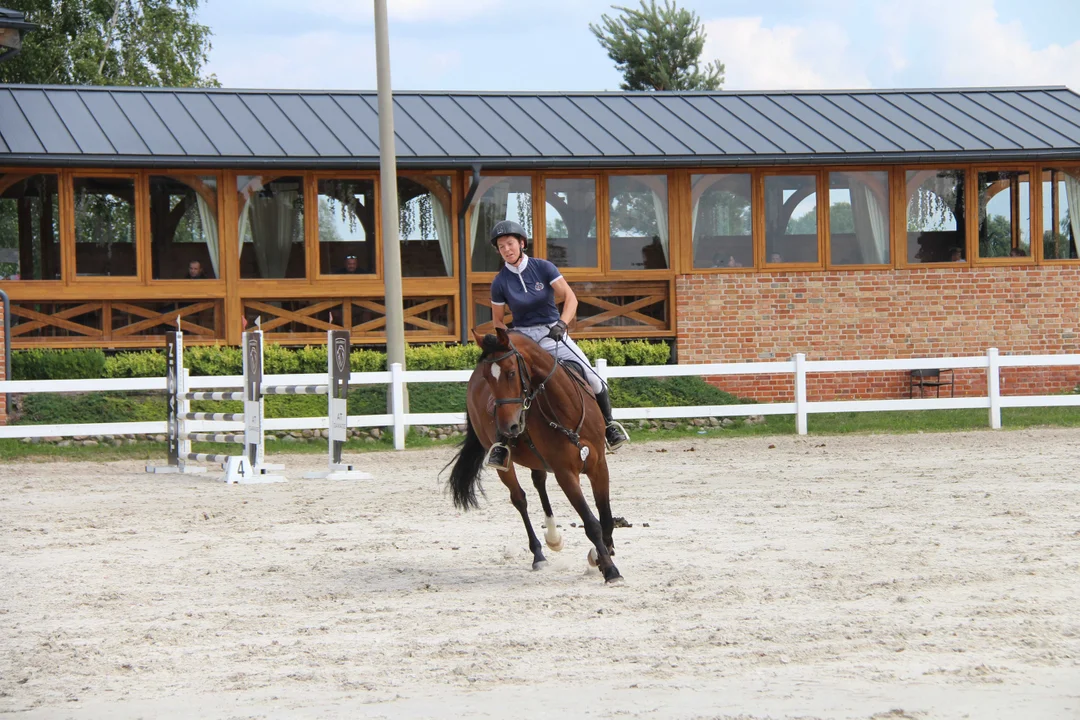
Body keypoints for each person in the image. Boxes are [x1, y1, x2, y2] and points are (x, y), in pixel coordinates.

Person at [484, 220, 628, 470]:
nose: (506, 249)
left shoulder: (543, 268)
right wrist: (506, 337)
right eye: (501, 246)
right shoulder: (500, 282)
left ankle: (609, 427)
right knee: (508, 386)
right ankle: (501, 445)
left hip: (552, 332)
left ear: (521, 243)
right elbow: (497, 319)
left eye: (509, 243)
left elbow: (570, 297)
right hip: (522, 337)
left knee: (594, 379)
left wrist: (562, 323)